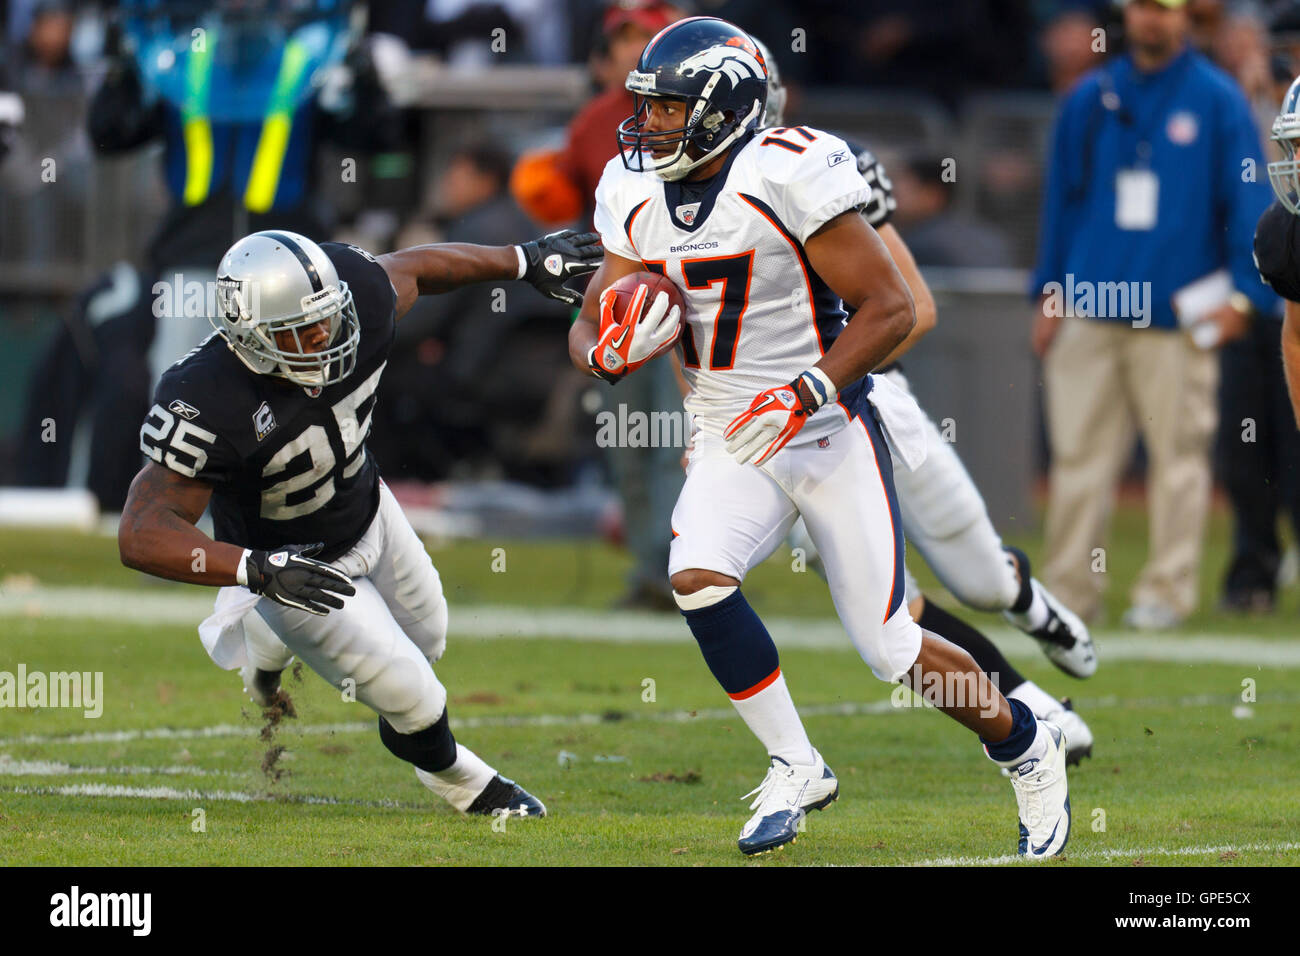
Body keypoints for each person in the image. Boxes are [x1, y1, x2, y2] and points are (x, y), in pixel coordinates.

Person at [571, 16, 1071, 858]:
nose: (649, 124)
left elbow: (892, 306)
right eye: (647, 108)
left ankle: (1025, 744)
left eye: (668, 109)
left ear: (723, 110)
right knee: (694, 575)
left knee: (891, 645)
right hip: (733, 433)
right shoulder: (631, 188)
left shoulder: (789, 171)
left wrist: (807, 392)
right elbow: (591, 318)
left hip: (825, 424)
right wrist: (606, 354)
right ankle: (795, 761)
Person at [118, 226, 602, 818]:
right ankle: (462, 780)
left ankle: (266, 643)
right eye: (303, 328)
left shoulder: (358, 300)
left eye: (329, 316)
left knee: (429, 640)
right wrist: (256, 570)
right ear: (251, 336)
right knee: (414, 697)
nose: (327, 335)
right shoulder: (205, 396)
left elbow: (417, 268)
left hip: (369, 509)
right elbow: (142, 531)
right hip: (293, 568)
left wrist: (520, 259)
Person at [749, 44, 1095, 762]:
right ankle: (1029, 707)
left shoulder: (815, 172)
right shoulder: (667, 202)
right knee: (894, 612)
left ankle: (1027, 600)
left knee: (980, 581)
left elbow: (916, 306)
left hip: (871, 403)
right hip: (780, 435)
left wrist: (817, 370)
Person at [1031, 0, 1277, 630]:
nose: (1152, 19)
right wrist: (1048, 293)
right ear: (1125, 14)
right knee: (1079, 457)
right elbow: (1061, 202)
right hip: (1090, 307)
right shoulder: (1090, 97)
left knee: (1180, 458)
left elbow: (1247, 200)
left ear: (1185, 18)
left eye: (1165, 9)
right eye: (1142, 6)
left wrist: (1246, 296)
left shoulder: (1218, 100)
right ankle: (1068, 592)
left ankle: (1165, 593)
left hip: (1175, 313)